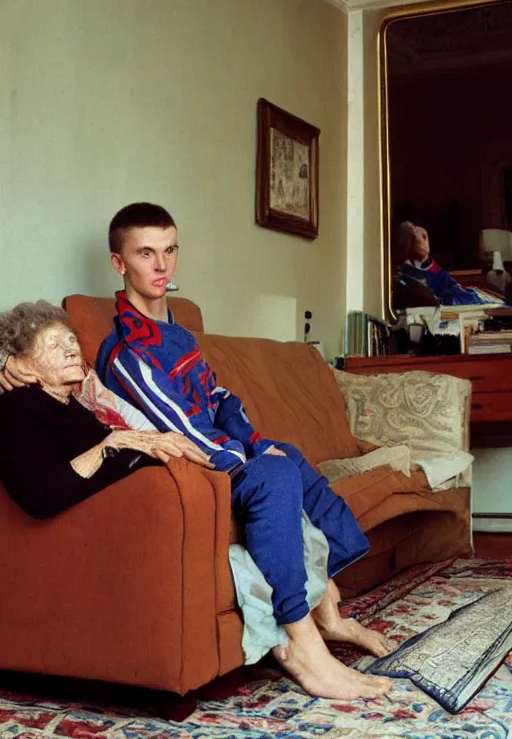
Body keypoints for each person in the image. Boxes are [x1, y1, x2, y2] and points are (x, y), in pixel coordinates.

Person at [94, 202, 393, 700]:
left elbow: (219, 398)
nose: (162, 266)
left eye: (169, 251)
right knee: (275, 476)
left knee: (289, 457)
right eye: (146, 254)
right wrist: (248, 458)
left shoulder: (179, 333)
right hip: (198, 468)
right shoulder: (128, 353)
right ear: (119, 264)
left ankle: (329, 612)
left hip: (228, 450)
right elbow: (183, 428)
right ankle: (301, 644)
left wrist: (257, 442)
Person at [0, 301, 213, 520]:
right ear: (22, 361)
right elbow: (41, 498)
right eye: (54, 346)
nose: (71, 351)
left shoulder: (75, 405)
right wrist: (116, 442)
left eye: (71, 341)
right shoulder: (18, 407)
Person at [393, 221, 491, 307]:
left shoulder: (431, 267)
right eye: (420, 239)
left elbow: (450, 286)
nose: (424, 244)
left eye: (425, 238)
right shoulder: (403, 277)